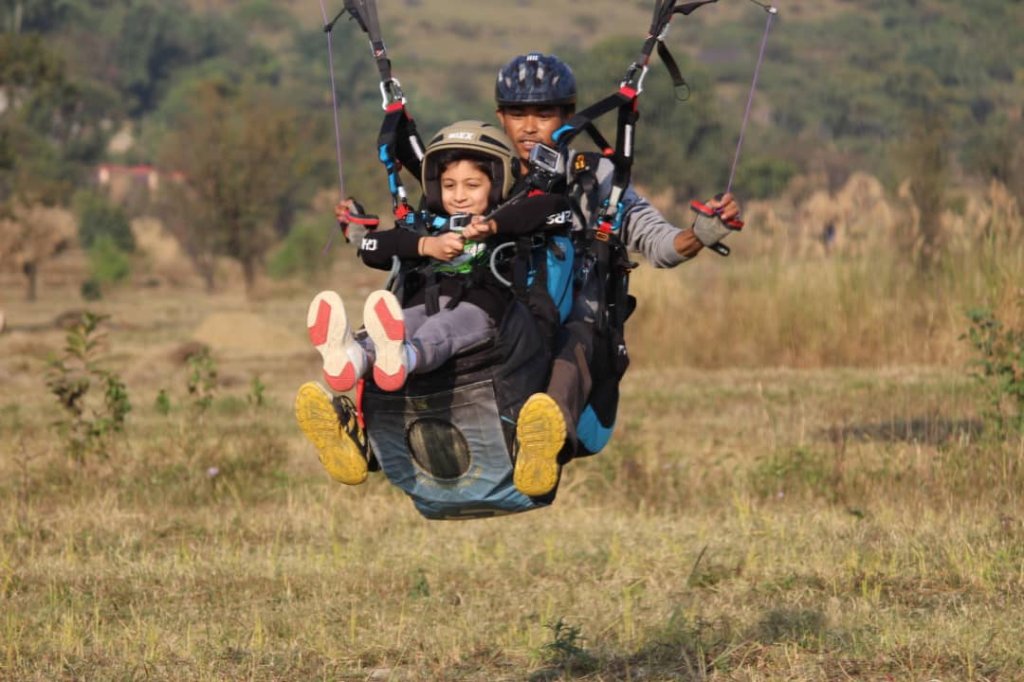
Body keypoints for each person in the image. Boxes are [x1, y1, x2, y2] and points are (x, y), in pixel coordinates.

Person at [492, 53, 744, 496]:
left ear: (569, 117)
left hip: (574, 327)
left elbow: (664, 246)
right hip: (502, 319)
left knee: (573, 342)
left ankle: (541, 441)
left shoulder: (599, 182)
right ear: (501, 117)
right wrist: (364, 240)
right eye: (518, 113)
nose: (530, 127)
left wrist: (704, 232)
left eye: (544, 113)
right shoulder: (482, 175)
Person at [295, 120, 570, 485]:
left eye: (473, 185)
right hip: (422, 304)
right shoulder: (428, 224)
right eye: (449, 185)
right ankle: (351, 356)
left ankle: (403, 358)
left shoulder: (508, 220)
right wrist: (426, 245)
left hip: (481, 311)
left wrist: (492, 227)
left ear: (497, 185)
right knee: (401, 323)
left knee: (440, 331)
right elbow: (375, 249)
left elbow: (555, 208)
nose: (459, 195)